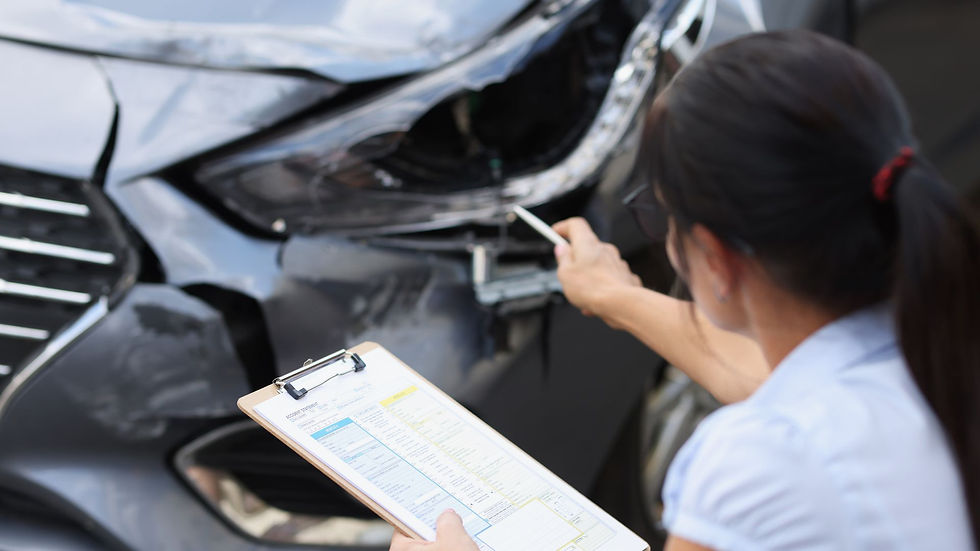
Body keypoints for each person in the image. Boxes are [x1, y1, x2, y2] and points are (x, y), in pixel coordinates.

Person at [390, 29, 979, 551]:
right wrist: (613, 295)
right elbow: (767, 379)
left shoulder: (762, 459)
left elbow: (778, 411)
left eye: (660, 214)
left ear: (717, 259)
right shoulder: (938, 351)